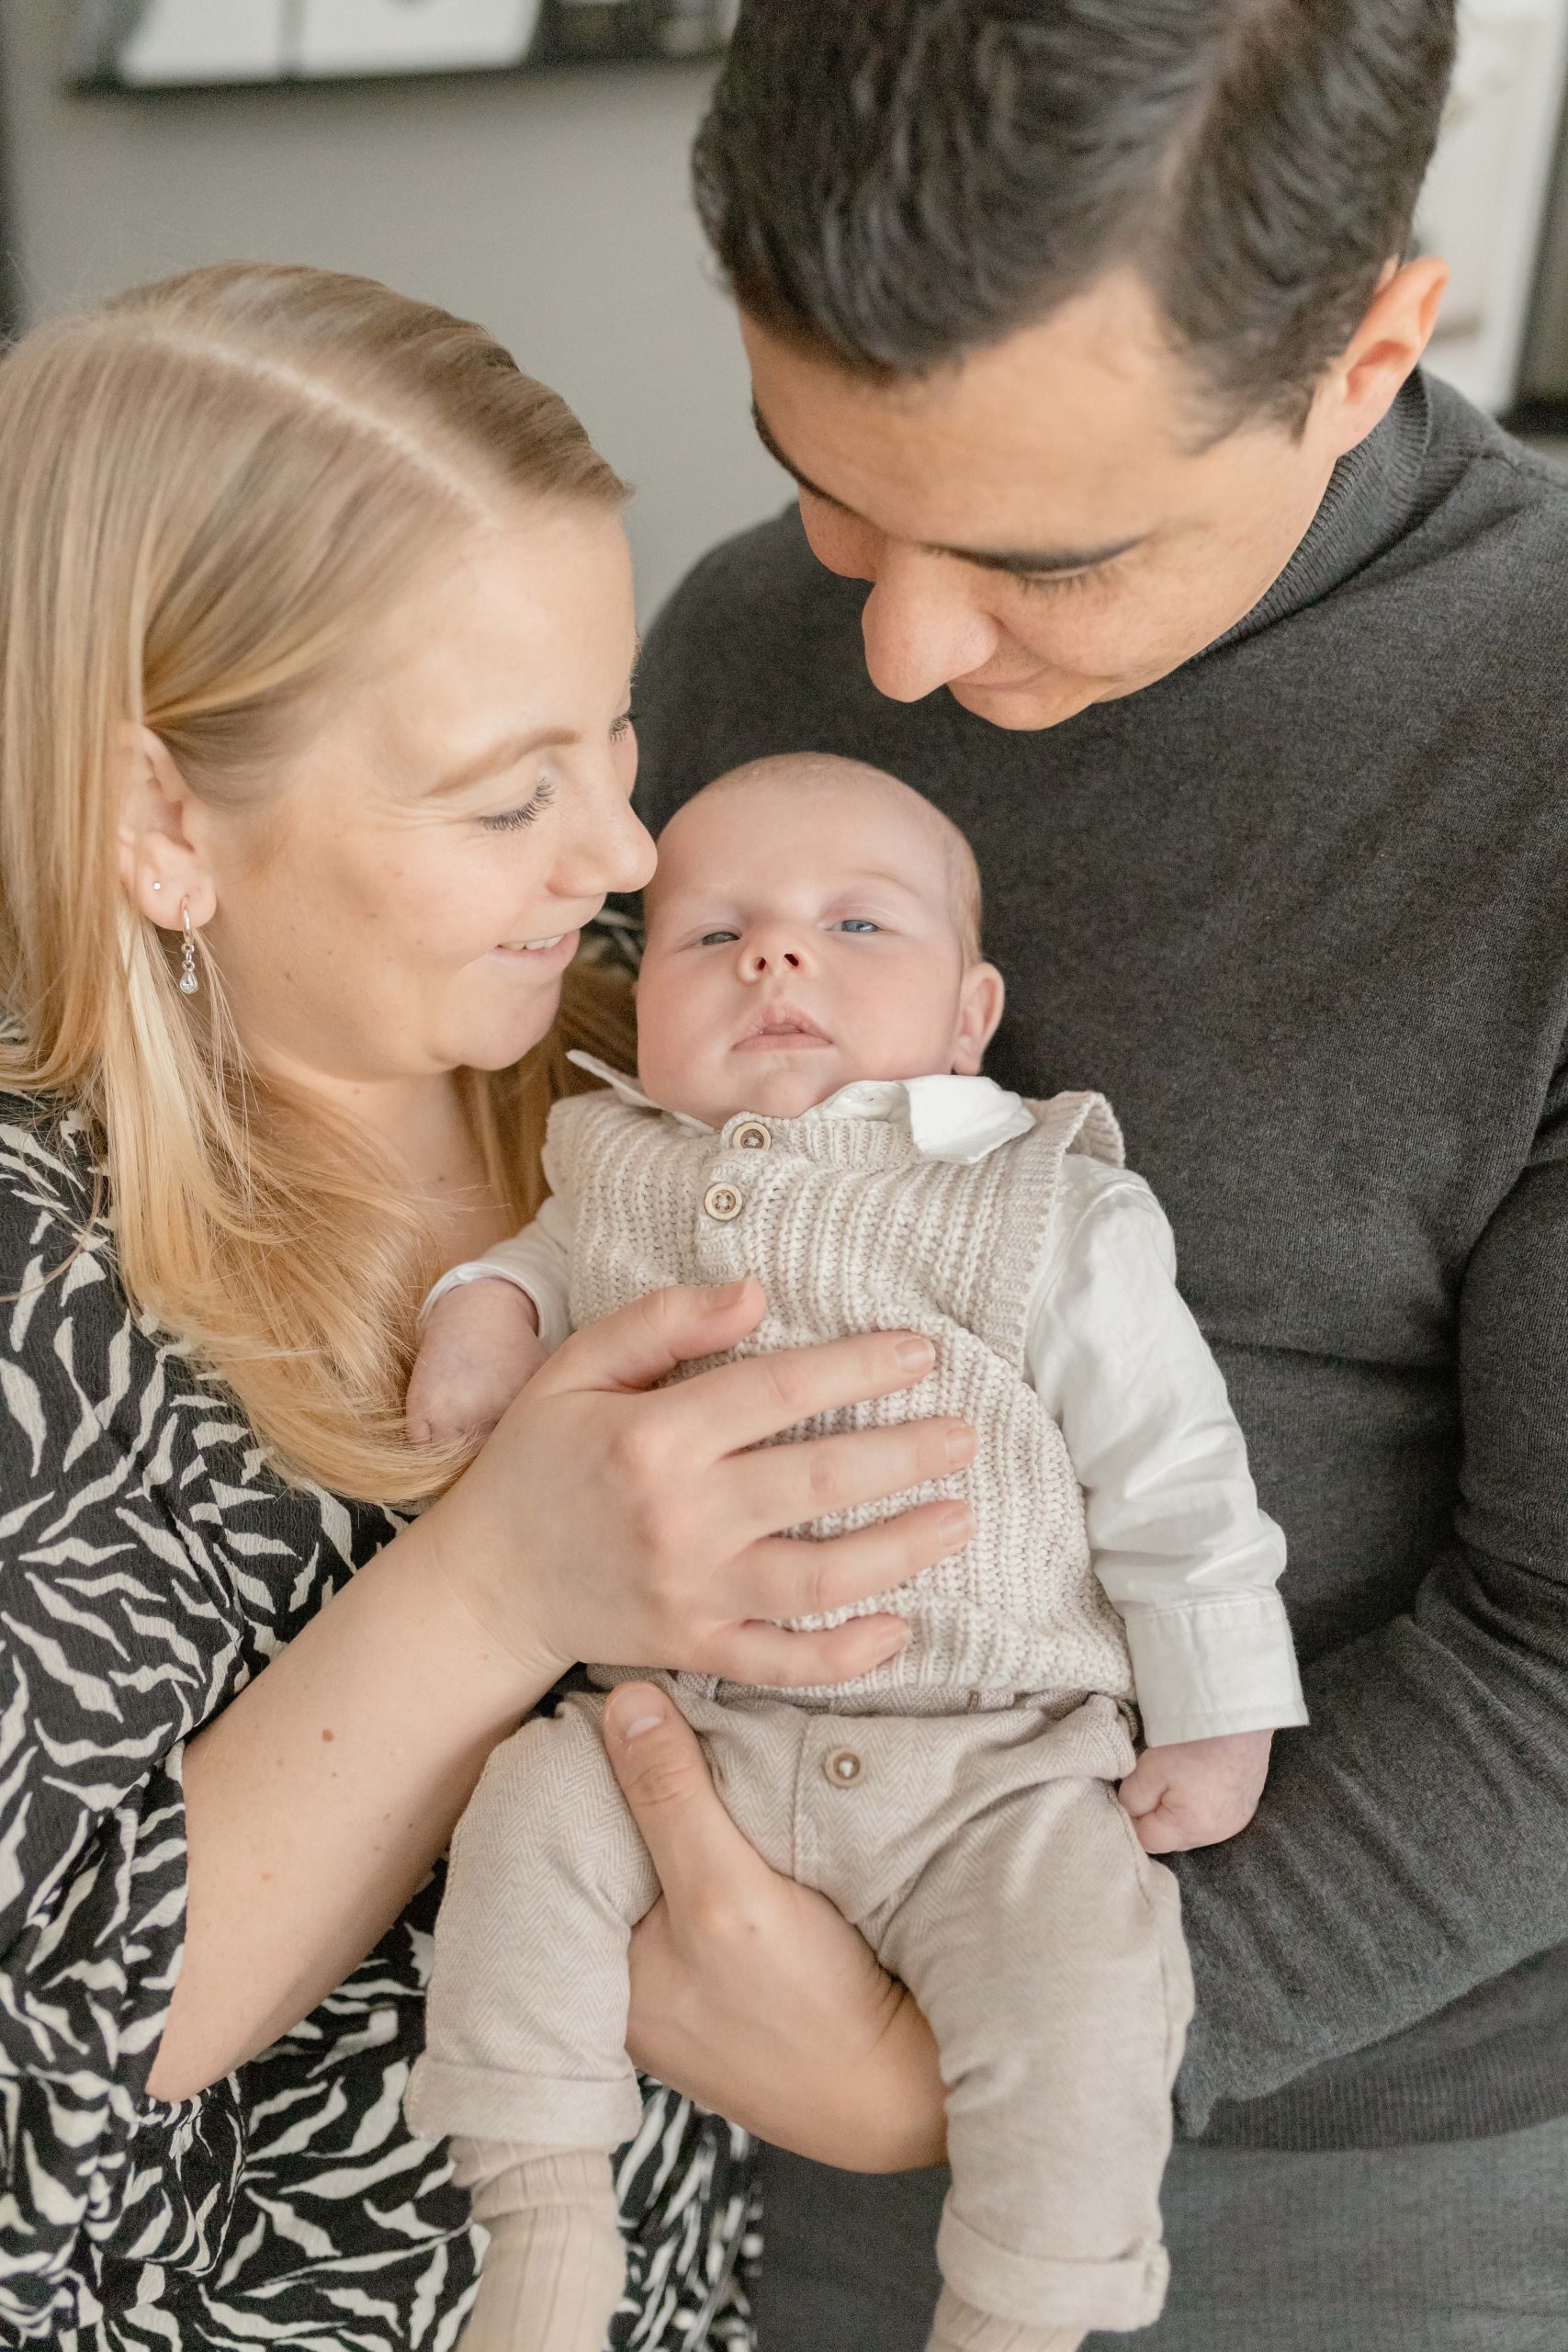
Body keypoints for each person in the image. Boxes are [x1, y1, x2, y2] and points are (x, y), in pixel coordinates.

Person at [621, 3, 1568, 2347]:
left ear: (1366, 353)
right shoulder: (746, 640)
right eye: (823, 482)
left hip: (1313, 2160)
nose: (893, 644)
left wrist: (971, 2063)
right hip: (677, 2074)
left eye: (1040, 556)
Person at [0, 262, 977, 2348]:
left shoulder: (649, 1080)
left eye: (612, 736)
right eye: (503, 791)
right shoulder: (39, 1252)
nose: (622, 845)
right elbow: (43, 2066)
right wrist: (497, 1585)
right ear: (160, 816)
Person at [402, 750, 1305, 2352]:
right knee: (525, 1822)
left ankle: (1023, 2315)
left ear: (970, 1015)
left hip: (995, 1766)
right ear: (642, 1005)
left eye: (856, 927)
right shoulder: (612, 1162)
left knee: (1092, 1985)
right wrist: (485, 1316)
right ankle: (540, 2231)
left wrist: (1218, 1705)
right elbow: (538, 1264)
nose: (776, 955)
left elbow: (1171, 1461)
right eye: (711, 936)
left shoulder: (1040, 1200)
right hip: (689, 1733)